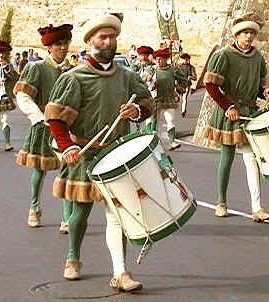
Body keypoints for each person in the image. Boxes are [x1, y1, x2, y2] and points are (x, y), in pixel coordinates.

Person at [45, 14, 153, 291]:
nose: (108, 41)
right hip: (85, 150)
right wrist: (68, 145)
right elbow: (55, 118)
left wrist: (137, 110)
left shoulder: (127, 76)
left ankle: (121, 272)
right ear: (91, 41)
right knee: (80, 212)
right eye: (102, 37)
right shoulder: (75, 77)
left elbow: (148, 103)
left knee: (117, 214)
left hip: (118, 152)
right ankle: (73, 257)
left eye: (112, 37)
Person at [203, 12, 269, 222]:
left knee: (252, 159)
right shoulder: (224, 55)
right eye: (245, 32)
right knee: (227, 157)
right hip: (230, 113)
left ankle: (257, 208)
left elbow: (257, 88)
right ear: (237, 34)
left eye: (252, 33)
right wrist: (228, 106)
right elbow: (211, 86)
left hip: (249, 113)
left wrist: (264, 94)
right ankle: (221, 202)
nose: (249, 36)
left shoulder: (257, 57)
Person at [14, 23, 74, 231]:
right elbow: (22, 95)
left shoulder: (72, 71)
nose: (63, 47)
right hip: (43, 126)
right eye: (58, 44)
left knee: (67, 170)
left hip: (66, 129)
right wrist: (39, 118)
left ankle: (67, 217)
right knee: (40, 170)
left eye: (66, 43)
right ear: (49, 47)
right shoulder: (36, 67)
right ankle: (34, 207)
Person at [144, 47, 188, 150]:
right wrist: (147, 79)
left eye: (160, 59)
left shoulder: (173, 69)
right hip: (155, 101)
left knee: (171, 120)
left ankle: (172, 141)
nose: (158, 61)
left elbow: (183, 81)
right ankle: (152, 143)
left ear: (166, 59)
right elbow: (143, 80)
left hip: (169, 100)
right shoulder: (152, 69)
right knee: (154, 122)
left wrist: (179, 89)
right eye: (156, 59)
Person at [177, 53, 197, 117]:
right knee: (178, 97)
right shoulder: (179, 67)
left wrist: (191, 77)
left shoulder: (191, 68)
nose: (185, 60)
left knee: (184, 98)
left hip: (187, 85)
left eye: (186, 59)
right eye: (184, 59)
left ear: (188, 59)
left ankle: (183, 111)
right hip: (179, 85)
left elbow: (195, 77)